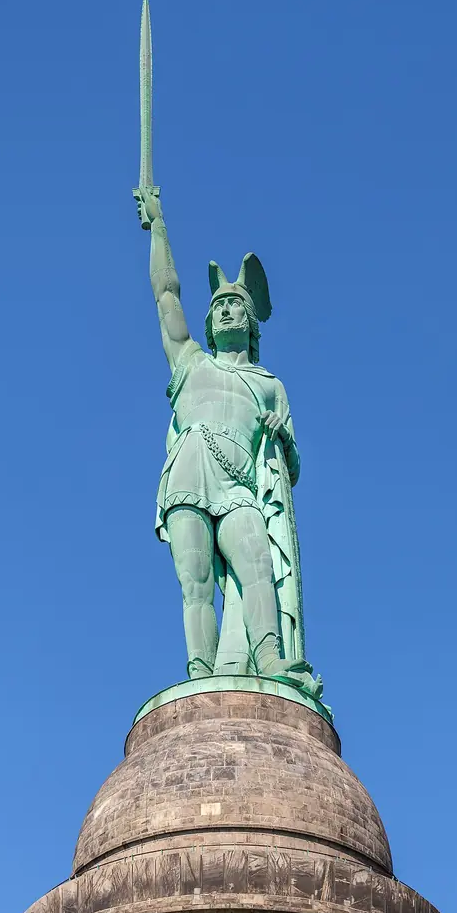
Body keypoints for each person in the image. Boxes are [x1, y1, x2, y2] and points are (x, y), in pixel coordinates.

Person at [136, 183, 321, 698]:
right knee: (194, 585)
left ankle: (271, 660)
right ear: (210, 323)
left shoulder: (268, 386)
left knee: (256, 560)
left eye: (236, 305)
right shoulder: (190, 363)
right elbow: (165, 294)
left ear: (251, 321)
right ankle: (203, 680)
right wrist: (159, 228)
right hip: (189, 479)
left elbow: (290, 467)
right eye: (218, 305)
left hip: (239, 485)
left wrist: (286, 445)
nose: (225, 312)